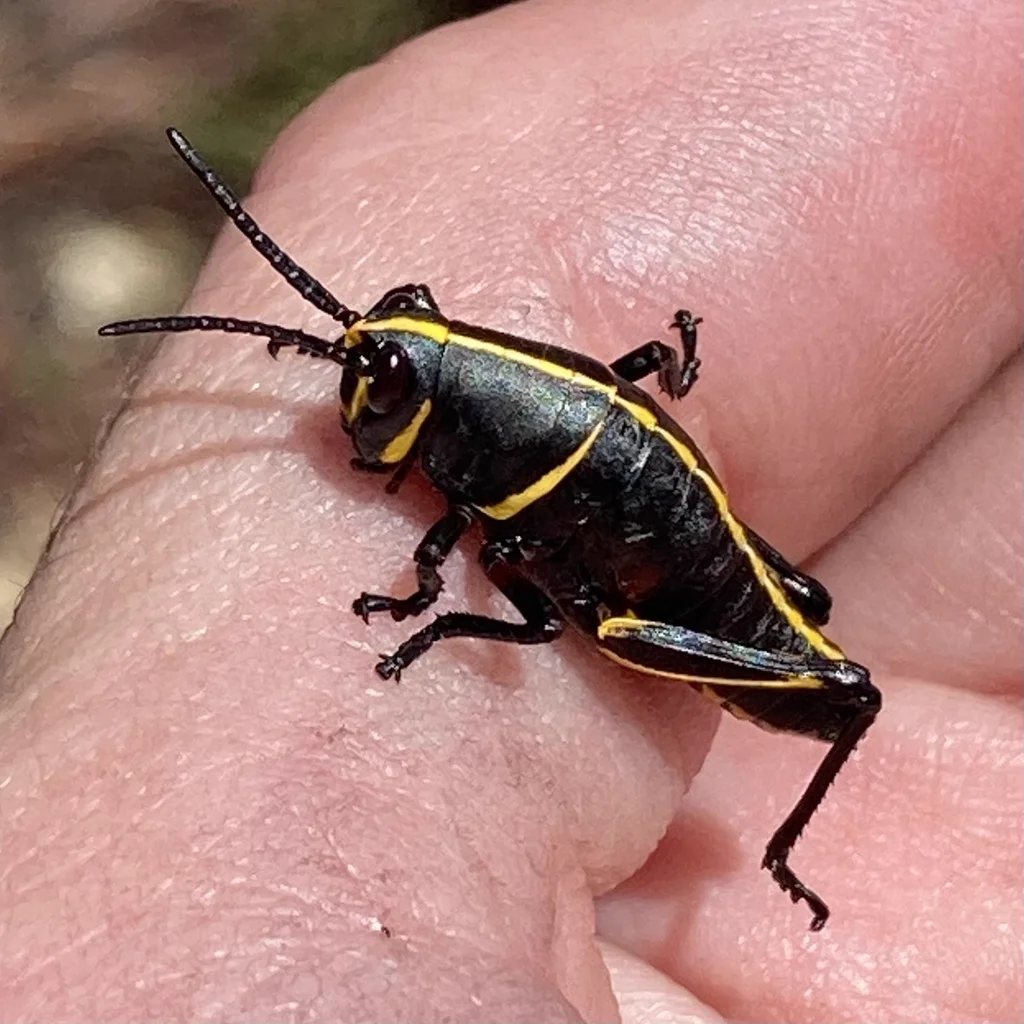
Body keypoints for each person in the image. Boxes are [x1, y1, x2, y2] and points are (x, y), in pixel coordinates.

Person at [1, 0, 1020, 1019]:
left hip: (686, 613)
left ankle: (782, 853)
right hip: (617, 504)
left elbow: (519, 592)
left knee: (728, 656)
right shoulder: (506, 420)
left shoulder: (512, 443)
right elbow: (481, 480)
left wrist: (431, 609)